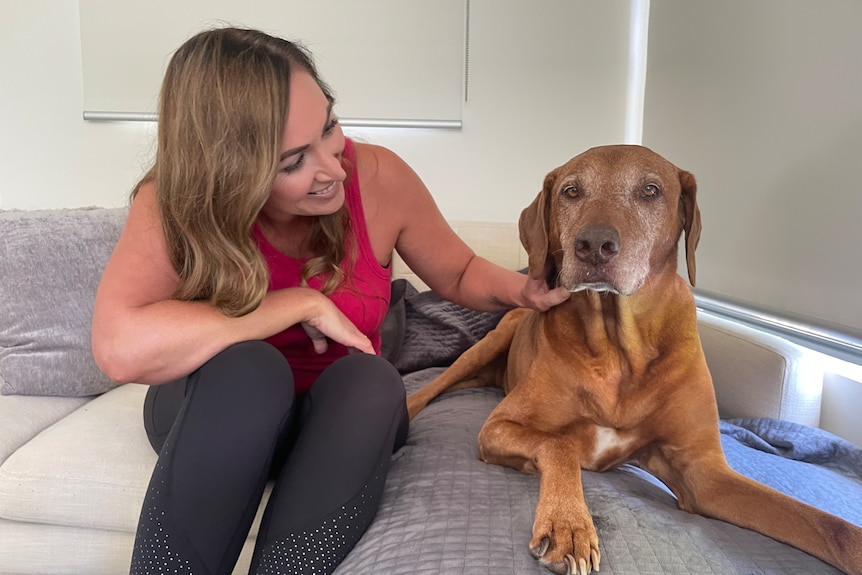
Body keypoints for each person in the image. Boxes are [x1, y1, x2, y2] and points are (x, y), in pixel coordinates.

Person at [91, 26, 569, 575]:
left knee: (372, 379)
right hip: (219, 411)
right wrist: (296, 304)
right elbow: (118, 347)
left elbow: (458, 270)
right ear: (227, 170)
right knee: (250, 367)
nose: (334, 167)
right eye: (294, 161)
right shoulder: (172, 201)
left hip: (336, 422)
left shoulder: (378, 176)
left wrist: (527, 291)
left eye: (330, 127)